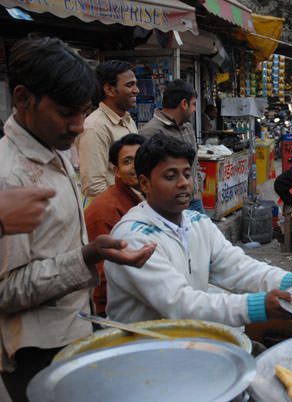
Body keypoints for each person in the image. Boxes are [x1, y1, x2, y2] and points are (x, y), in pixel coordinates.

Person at [0, 37, 156, 402]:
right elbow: (6, 290)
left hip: (73, 331)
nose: (77, 127)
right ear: (23, 99)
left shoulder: (52, 150)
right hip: (35, 351)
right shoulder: (10, 177)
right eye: (67, 113)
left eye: (82, 113)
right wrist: (87, 256)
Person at [104, 134, 292, 325]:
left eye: (187, 174)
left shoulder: (197, 223)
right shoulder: (133, 237)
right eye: (170, 176)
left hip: (184, 344)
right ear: (144, 183)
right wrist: (257, 306)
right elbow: (180, 303)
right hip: (141, 352)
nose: (183, 183)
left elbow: (237, 268)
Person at [84, 134, 146, 316]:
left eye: (140, 159)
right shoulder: (106, 209)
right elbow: (103, 275)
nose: (135, 166)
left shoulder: (146, 197)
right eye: (128, 161)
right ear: (116, 171)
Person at [77, 60, 139, 202]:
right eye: (130, 85)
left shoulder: (127, 120)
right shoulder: (95, 127)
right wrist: (122, 210)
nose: (136, 90)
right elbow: (94, 187)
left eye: (135, 84)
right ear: (109, 89)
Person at [139, 79, 204, 213]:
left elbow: (195, 164)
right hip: (169, 207)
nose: (195, 110)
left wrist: (197, 192)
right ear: (184, 104)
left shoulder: (187, 128)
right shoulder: (151, 132)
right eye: (193, 104)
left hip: (194, 201)